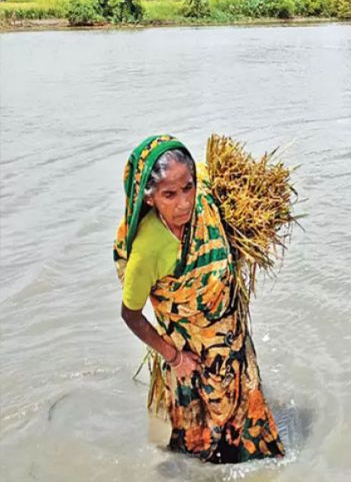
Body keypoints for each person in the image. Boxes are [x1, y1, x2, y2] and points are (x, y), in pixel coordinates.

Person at [114, 135, 284, 463]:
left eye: (187, 187)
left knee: (252, 427)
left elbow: (218, 176)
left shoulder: (204, 201)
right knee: (203, 440)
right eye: (169, 194)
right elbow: (130, 314)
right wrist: (175, 358)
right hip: (192, 354)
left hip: (232, 334)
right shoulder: (147, 250)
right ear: (149, 198)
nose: (183, 203)